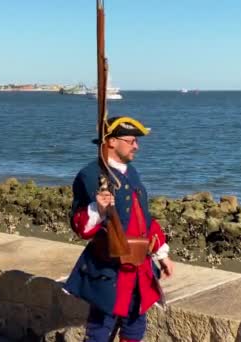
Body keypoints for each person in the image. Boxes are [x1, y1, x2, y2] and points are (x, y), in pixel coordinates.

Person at [63, 116, 175, 342]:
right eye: (132, 140)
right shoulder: (90, 175)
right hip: (110, 267)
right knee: (99, 330)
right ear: (112, 142)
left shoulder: (131, 172)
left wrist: (162, 254)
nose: (137, 146)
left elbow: (144, 218)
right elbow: (80, 226)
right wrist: (98, 208)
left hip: (139, 265)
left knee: (135, 326)